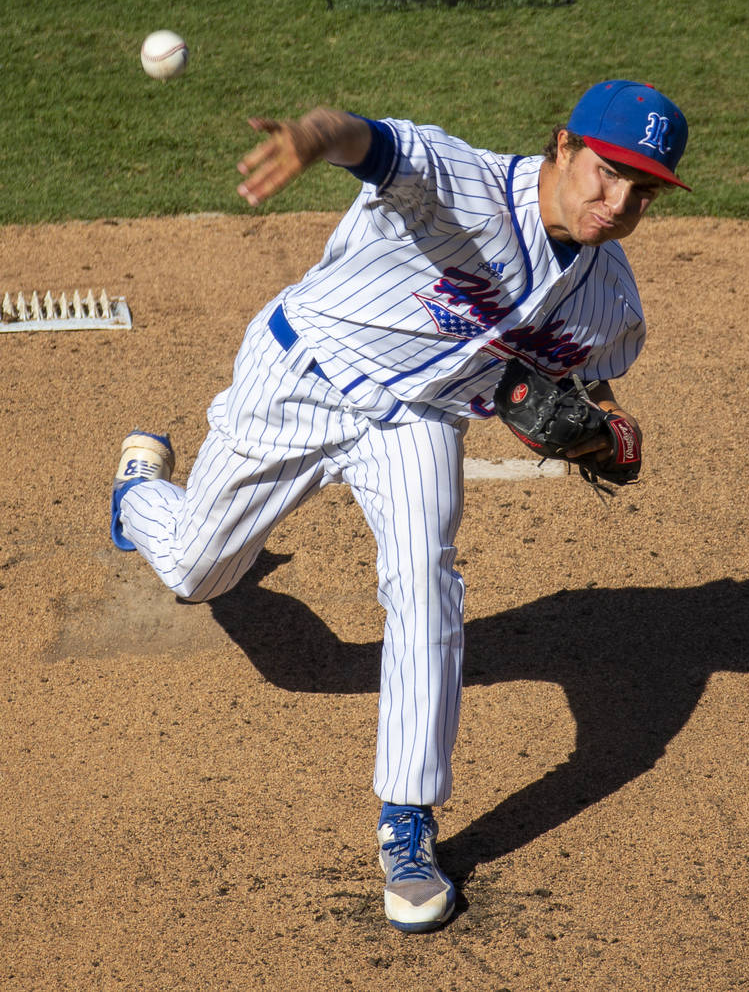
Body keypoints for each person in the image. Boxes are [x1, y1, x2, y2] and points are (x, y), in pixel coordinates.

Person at [111, 79, 689, 933]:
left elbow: (584, 379)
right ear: (562, 146)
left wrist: (607, 428)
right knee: (198, 571)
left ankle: (406, 825)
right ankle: (138, 493)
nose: (618, 201)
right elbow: (369, 141)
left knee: (426, 578)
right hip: (303, 377)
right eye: (607, 172)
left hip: (415, 421)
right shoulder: (464, 184)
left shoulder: (613, 301)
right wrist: (313, 135)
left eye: (643, 189)